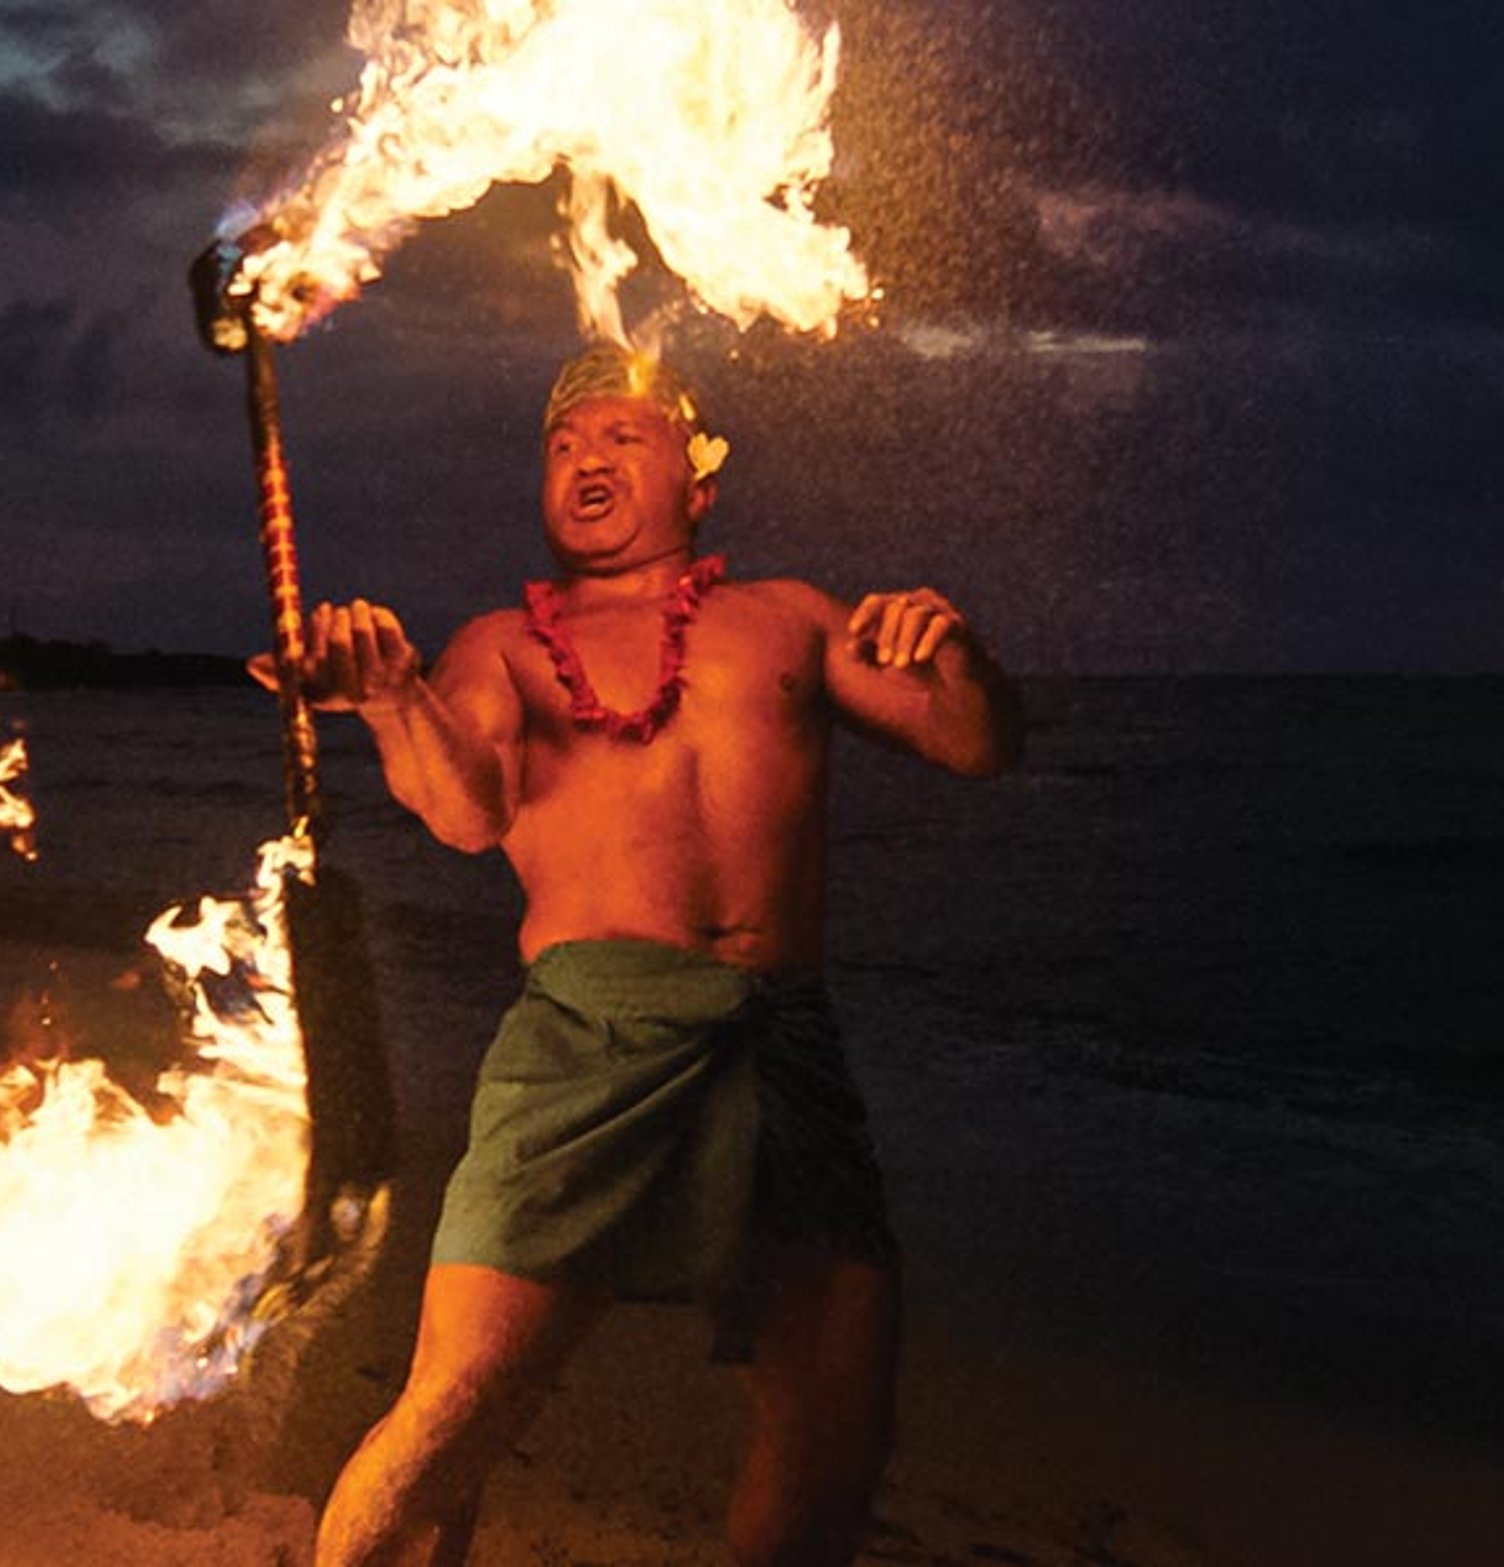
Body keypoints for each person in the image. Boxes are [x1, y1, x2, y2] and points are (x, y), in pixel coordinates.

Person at [251, 345, 1021, 1567]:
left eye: (623, 437)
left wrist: (953, 652)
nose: (586, 460)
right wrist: (397, 701)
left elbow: (977, 744)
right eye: (563, 446)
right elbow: (463, 813)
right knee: (455, 1414)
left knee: (833, 1439)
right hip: (588, 1040)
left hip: (783, 1046)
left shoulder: (790, 618)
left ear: (698, 482)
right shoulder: (503, 645)